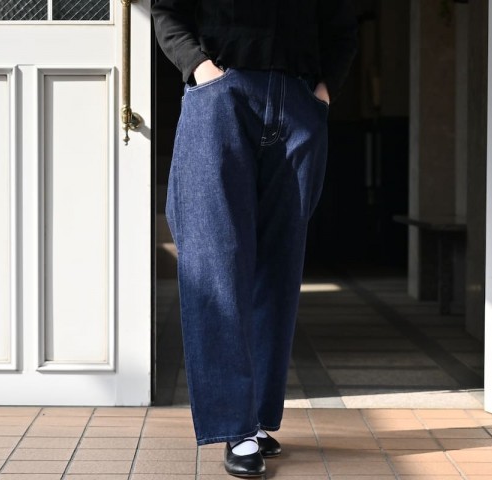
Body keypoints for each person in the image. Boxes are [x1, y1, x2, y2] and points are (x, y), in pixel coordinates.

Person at [151, 1, 357, 477]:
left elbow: (341, 24)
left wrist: (323, 91)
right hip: (222, 97)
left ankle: (256, 419)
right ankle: (234, 426)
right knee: (215, 266)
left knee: (278, 269)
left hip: (298, 103)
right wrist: (202, 70)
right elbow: (168, 11)